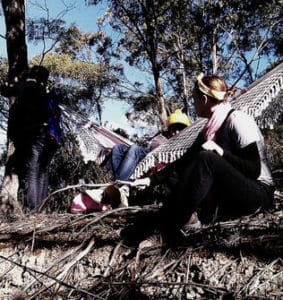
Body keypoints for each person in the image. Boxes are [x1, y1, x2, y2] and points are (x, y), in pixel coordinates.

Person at [123, 73, 275, 247]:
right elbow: (183, 161)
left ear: (203, 99)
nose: (193, 104)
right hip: (231, 195)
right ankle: (181, 221)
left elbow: (253, 169)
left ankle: (168, 231)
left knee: (206, 158)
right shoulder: (208, 130)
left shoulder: (237, 120)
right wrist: (150, 180)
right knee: (187, 169)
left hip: (259, 193)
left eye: (194, 99)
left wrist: (221, 152)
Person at [1, 65, 62, 212]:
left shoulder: (28, 87)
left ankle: (35, 210)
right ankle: (42, 209)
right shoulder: (46, 91)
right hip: (53, 137)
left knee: (33, 172)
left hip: (37, 135)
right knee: (43, 171)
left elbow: (6, 90)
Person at [108, 109, 191, 181]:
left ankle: (118, 183)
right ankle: (120, 179)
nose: (176, 132)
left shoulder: (187, 141)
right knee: (117, 148)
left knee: (134, 149)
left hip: (157, 160)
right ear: (170, 129)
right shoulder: (162, 137)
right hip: (150, 156)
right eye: (174, 129)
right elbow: (154, 147)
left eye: (179, 129)